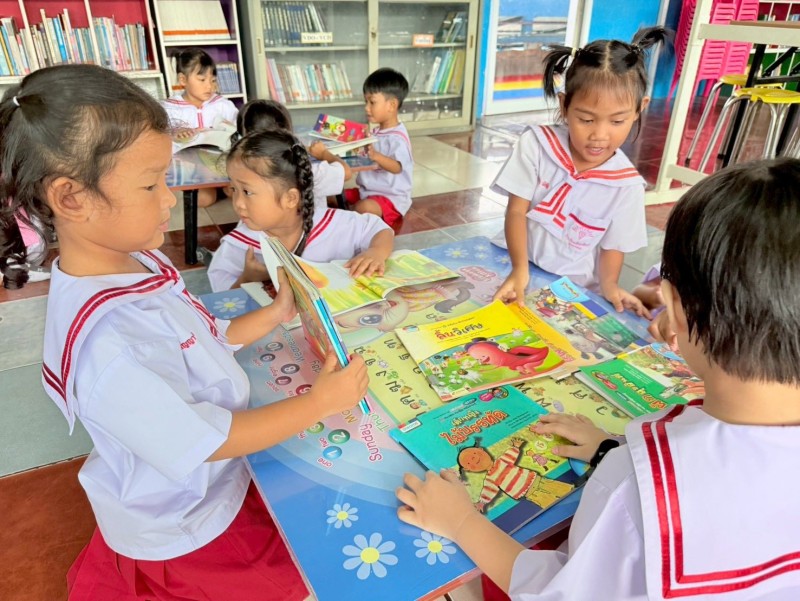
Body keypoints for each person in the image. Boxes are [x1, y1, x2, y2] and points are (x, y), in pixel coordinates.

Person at [0, 64, 369, 600]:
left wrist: (274, 312)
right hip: (190, 521)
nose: (170, 198)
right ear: (72, 198)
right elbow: (208, 440)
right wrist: (320, 402)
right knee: (304, 575)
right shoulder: (109, 344)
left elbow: (201, 336)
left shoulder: (135, 260)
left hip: (208, 478)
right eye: (151, 184)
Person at [396, 157, 800, 600]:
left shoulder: (631, 487)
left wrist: (460, 521)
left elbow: (556, 592)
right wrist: (610, 448)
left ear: (674, 306)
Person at [491, 28, 671, 316]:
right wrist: (519, 268)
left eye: (617, 121)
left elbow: (613, 245)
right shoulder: (536, 145)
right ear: (564, 105)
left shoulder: (626, 185)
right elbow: (516, 212)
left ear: (640, 108)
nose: (599, 135)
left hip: (571, 283)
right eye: (586, 119)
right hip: (515, 262)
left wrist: (610, 286)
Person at [206, 128, 394, 292]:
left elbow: (380, 230)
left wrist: (376, 252)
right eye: (234, 189)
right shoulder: (238, 245)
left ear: (290, 198)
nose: (238, 203)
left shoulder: (330, 224)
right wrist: (247, 278)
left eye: (247, 192)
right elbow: (222, 298)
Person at [232, 98, 353, 210]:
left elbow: (231, 192)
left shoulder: (242, 171)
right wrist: (323, 153)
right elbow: (346, 172)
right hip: (312, 226)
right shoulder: (306, 171)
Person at [162, 48, 238, 208]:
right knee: (204, 200)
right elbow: (160, 136)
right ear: (183, 80)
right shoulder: (171, 108)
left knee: (236, 191)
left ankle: (223, 187)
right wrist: (175, 133)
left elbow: (239, 131)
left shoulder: (223, 105)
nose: (209, 86)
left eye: (213, 80)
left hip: (223, 165)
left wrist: (231, 128)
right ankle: (213, 189)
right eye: (202, 80)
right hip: (192, 169)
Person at [343, 67, 413, 229]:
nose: (366, 107)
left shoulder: (398, 138)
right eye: (365, 102)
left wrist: (376, 156)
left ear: (392, 105)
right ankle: (349, 216)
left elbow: (397, 167)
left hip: (390, 199)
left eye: (372, 102)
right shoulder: (374, 133)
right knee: (333, 195)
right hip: (367, 191)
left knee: (363, 208)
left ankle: (349, 219)